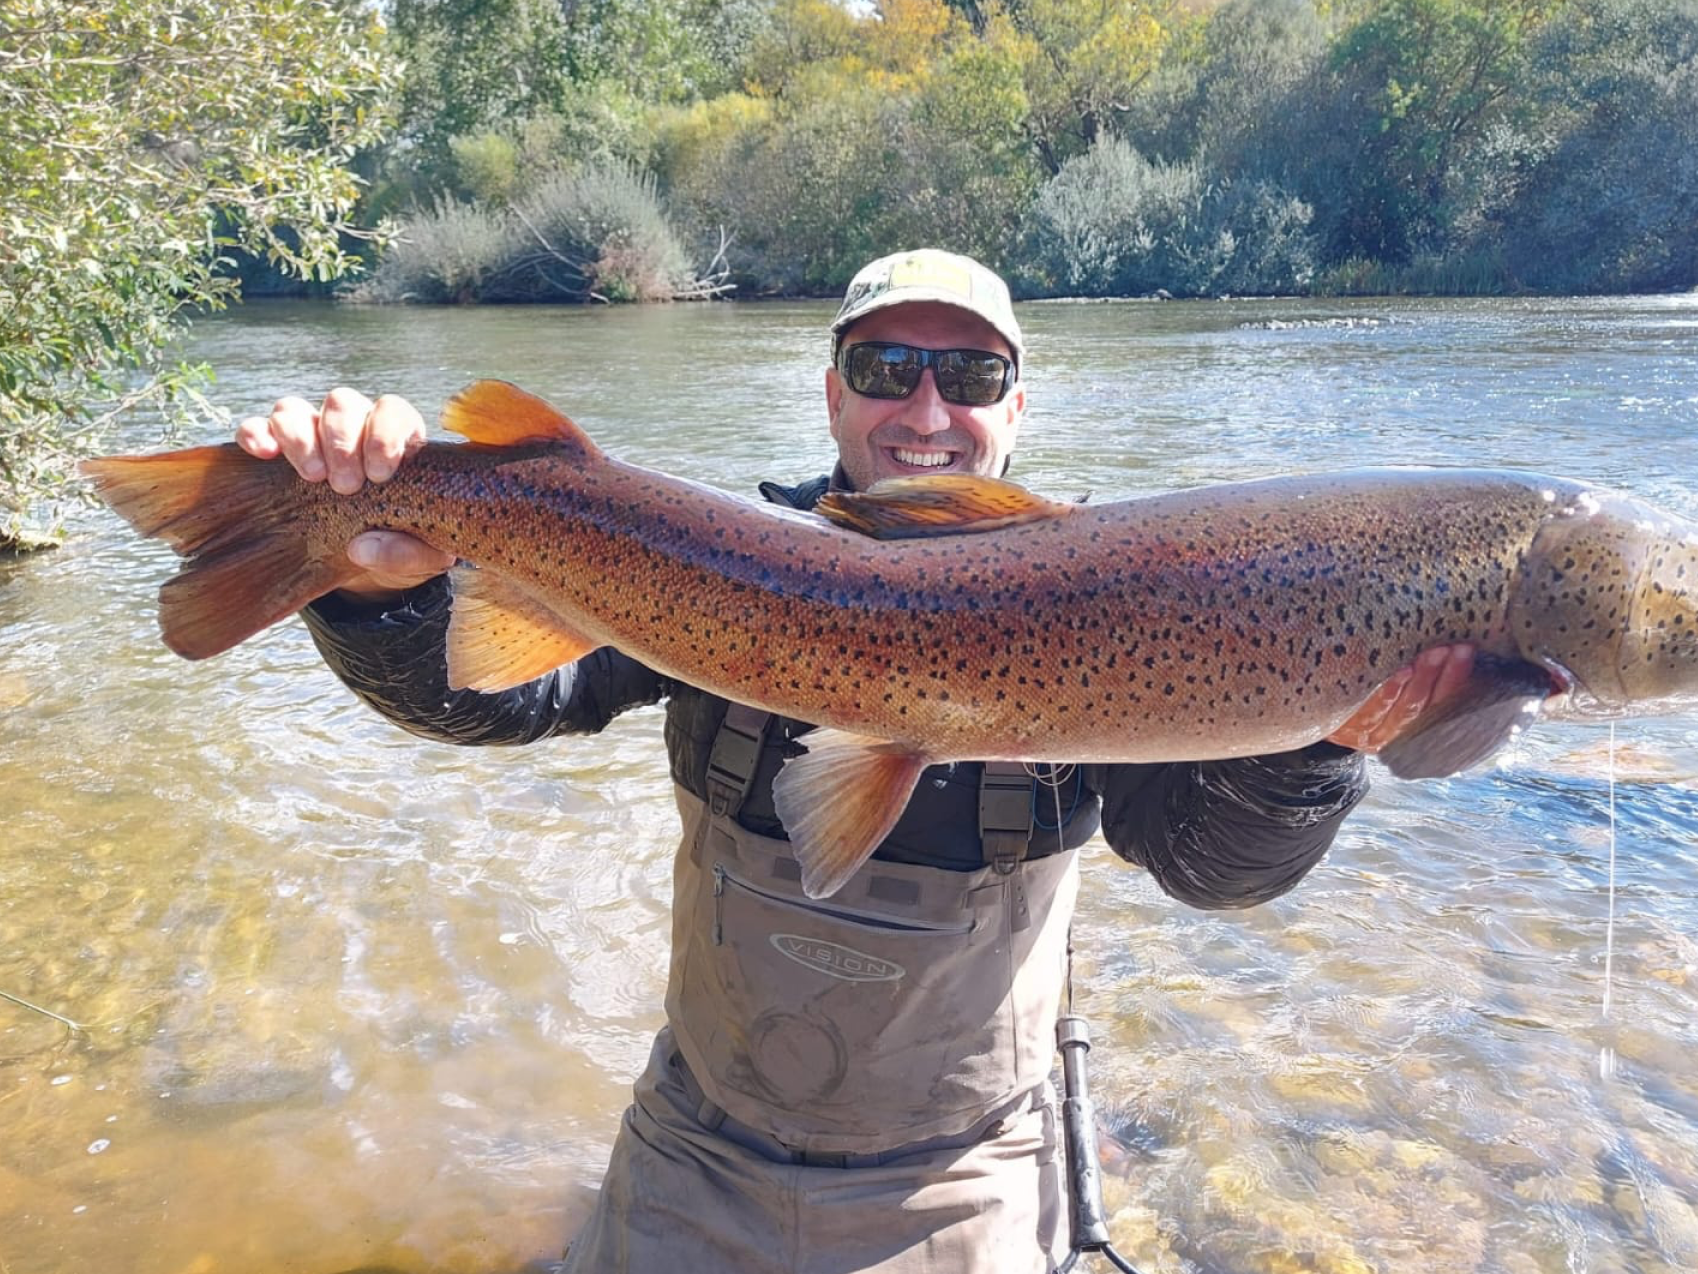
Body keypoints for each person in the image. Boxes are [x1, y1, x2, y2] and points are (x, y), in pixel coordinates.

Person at [236, 248, 1475, 1273]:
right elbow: (491, 706)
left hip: (968, 1175)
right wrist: (365, 589)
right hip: (697, 1145)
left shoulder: (1130, 600)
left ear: (1016, 406)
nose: (927, 410)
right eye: (887, 369)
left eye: (969, 374)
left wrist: (1326, 739)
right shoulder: (718, 557)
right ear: (832, 394)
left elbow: (1213, 867)